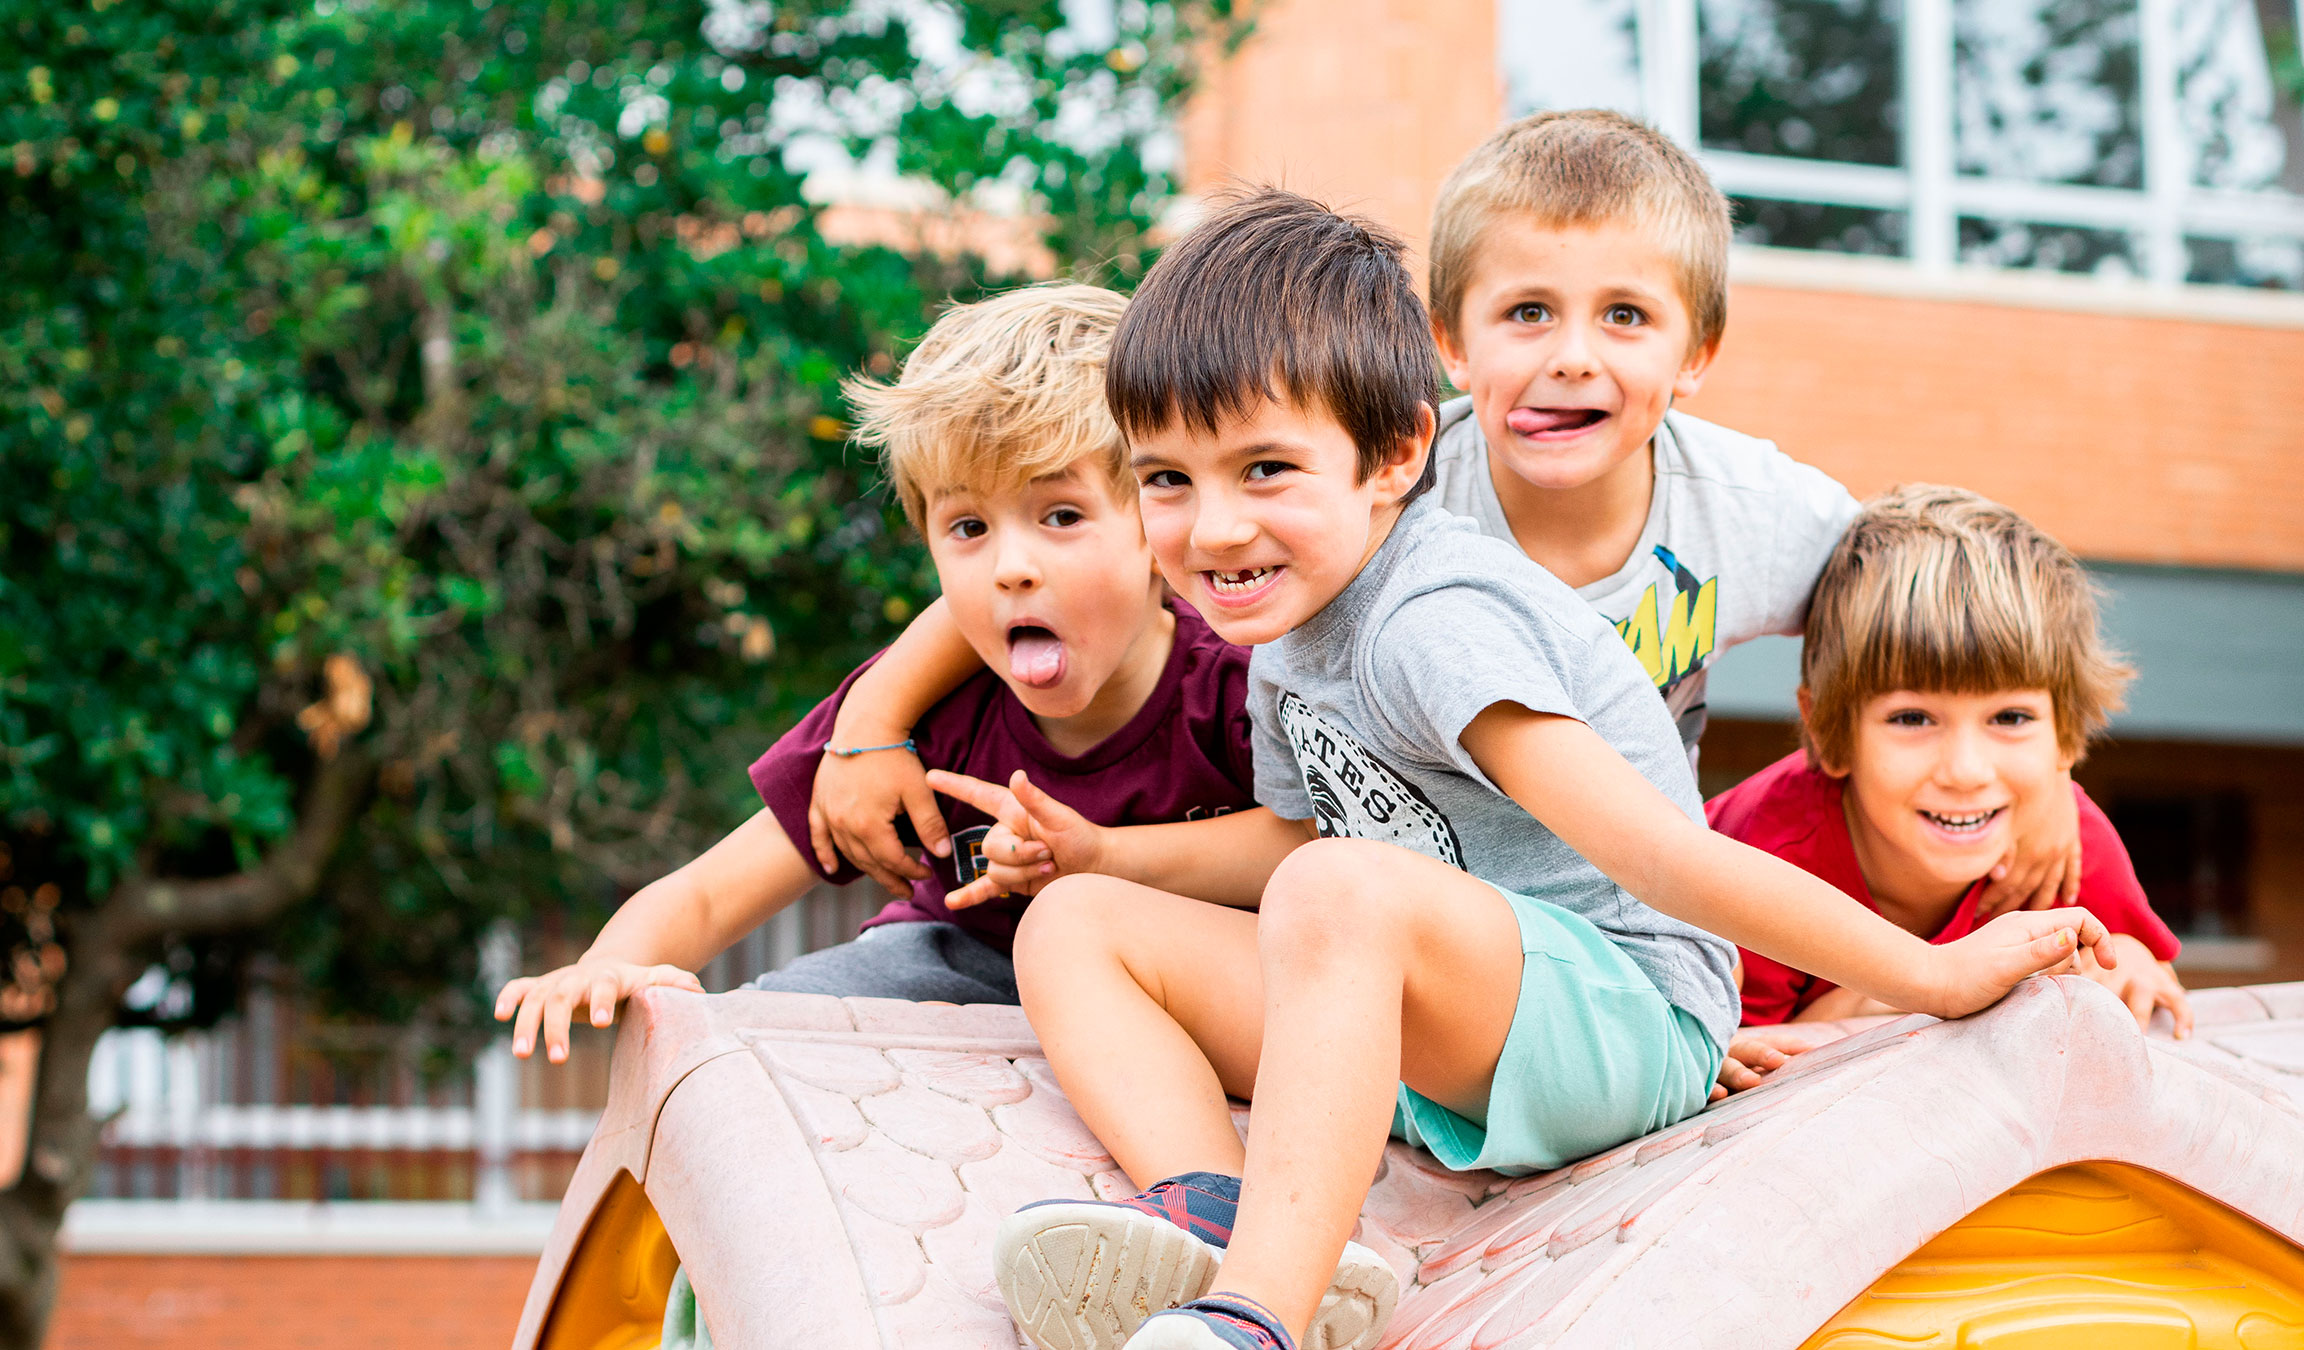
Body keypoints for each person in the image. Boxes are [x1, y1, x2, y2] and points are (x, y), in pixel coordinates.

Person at [966, 190, 2114, 1350]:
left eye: (1264, 470)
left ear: (1398, 455)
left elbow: (1663, 856)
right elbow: (1300, 837)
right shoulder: (1282, 616)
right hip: (1430, 1014)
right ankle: (1221, 1217)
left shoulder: (1431, 617)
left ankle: (1256, 1318)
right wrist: (1109, 854)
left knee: (1338, 892)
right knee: (1074, 925)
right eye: (1168, 480)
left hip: (1625, 1013)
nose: (1212, 530)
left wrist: (1932, 977)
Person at [803, 109, 2087, 922]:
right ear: (1446, 349)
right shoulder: (1396, 495)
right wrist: (870, 721)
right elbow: (1114, 538)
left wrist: (2038, 800)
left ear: (1698, 351)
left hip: (1607, 898)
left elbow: (1955, 638)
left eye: (1624, 317)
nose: (1571, 358)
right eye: (1527, 313)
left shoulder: (1758, 513)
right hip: (1428, 895)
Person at [491, 282, 1259, 1061]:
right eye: (968, 527)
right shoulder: (927, 703)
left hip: (1178, 987)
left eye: (1061, 516)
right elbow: (711, 889)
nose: (1011, 568)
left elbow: (1313, 846)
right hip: (953, 970)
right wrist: (606, 967)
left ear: (1155, 525)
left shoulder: (1238, 687)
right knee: (754, 1040)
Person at [1709, 486, 2192, 1094]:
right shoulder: (1765, 860)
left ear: (2066, 737)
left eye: (2010, 718)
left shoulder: (2066, 842)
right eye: (1913, 718)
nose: (1966, 771)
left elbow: (2146, 973)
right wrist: (1872, 1001)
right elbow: (1724, 1071)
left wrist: (2133, 966)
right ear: (1828, 734)